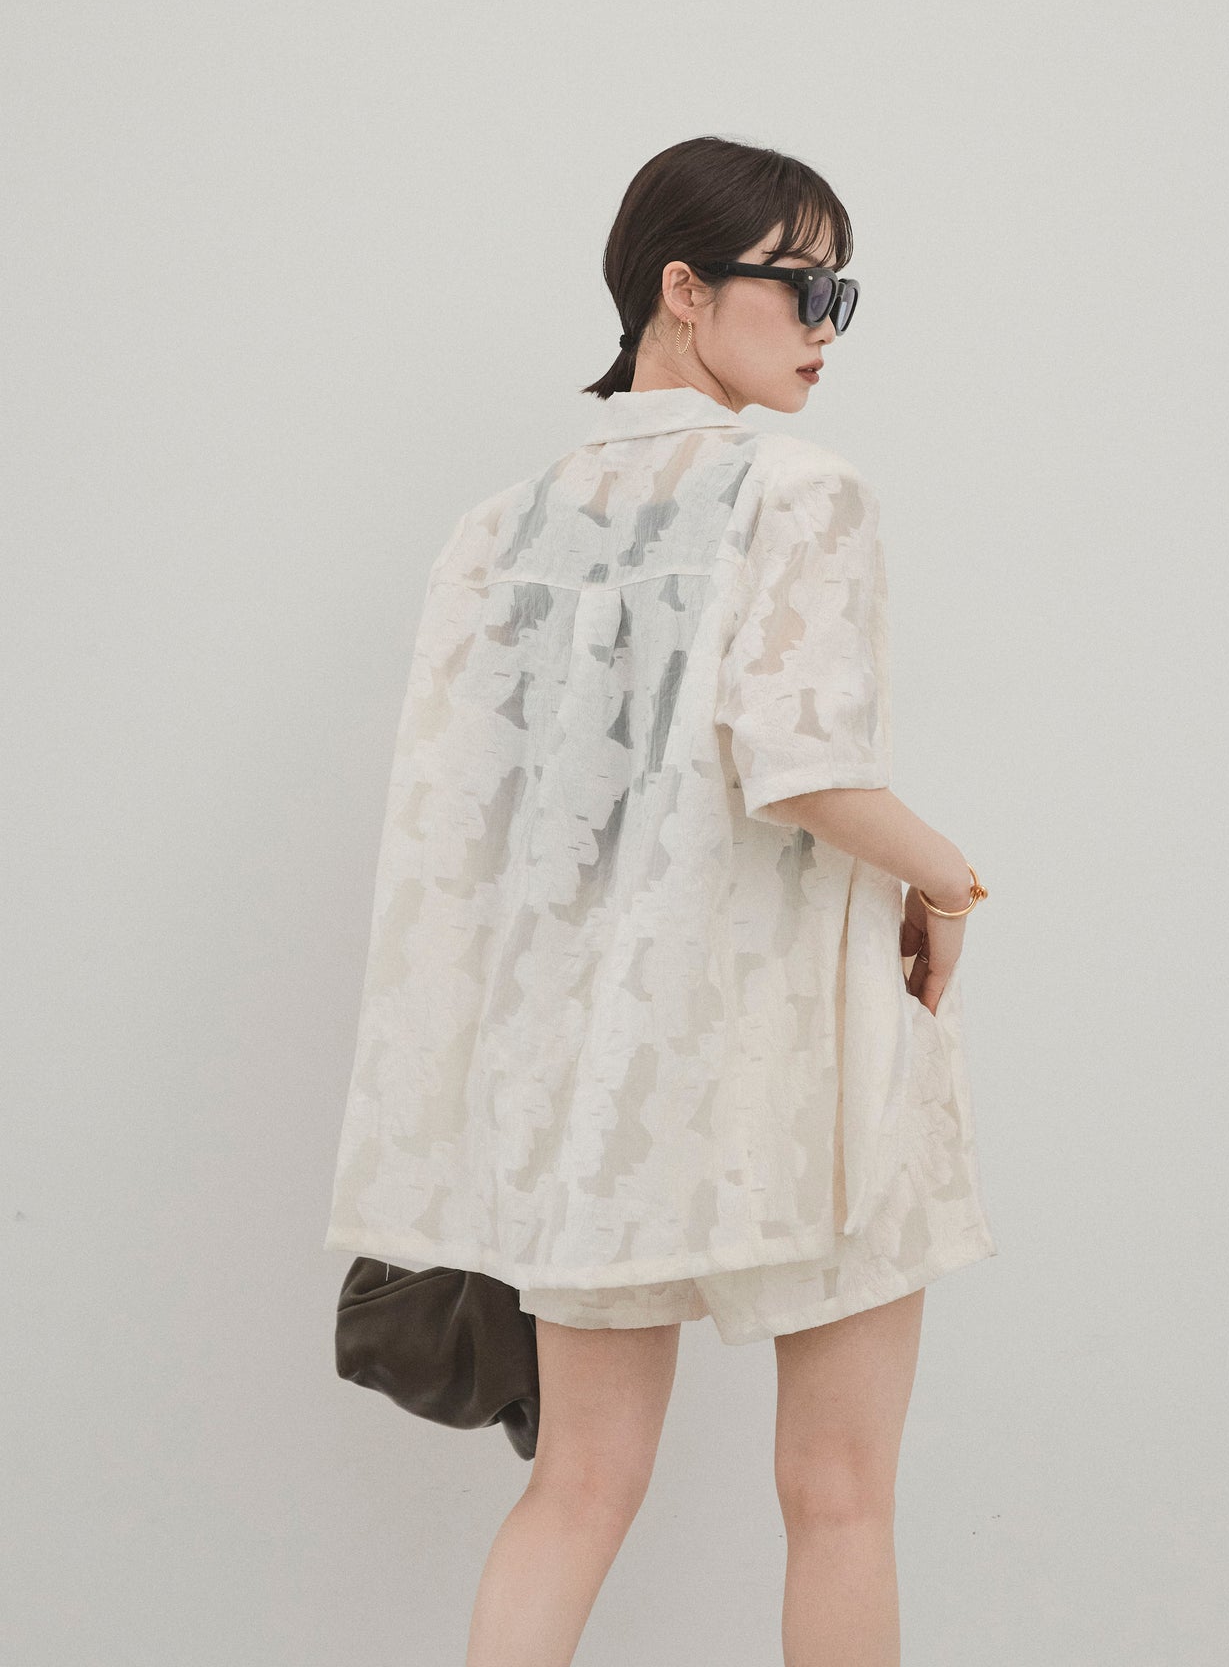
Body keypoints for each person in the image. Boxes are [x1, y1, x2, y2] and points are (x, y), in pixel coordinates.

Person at [323, 134, 996, 1666]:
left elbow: (479, 834)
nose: (826, 325)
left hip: (595, 1078)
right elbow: (800, 766)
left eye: (842, 294)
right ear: (681, 290)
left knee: (576, 1490)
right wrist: (950, 880)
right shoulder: (800, 490)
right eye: (802, 286)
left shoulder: (499, 530)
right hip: (804, 1063)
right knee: (838, 1498)